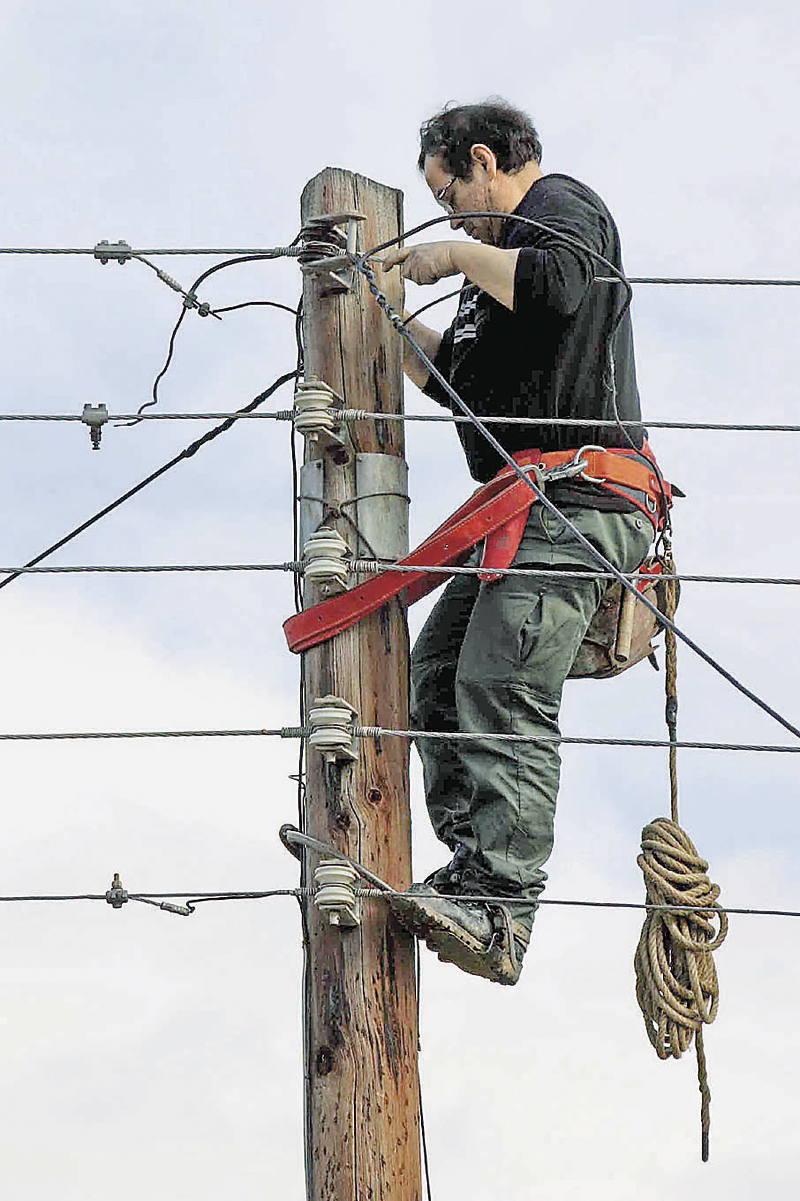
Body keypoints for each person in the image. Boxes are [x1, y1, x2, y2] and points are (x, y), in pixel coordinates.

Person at [379, 99, 658, 986]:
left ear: (485, 160)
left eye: (449, 194)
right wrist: (386, 319)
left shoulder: (560, 208)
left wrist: (456, 254)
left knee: (501, 679)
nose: (451, 216)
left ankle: (502, 908)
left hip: (582, 498)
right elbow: (463, 383)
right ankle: (473, 871)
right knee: (436, 672)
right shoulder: (490, 277)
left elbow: (558, 285)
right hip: (526, 504)